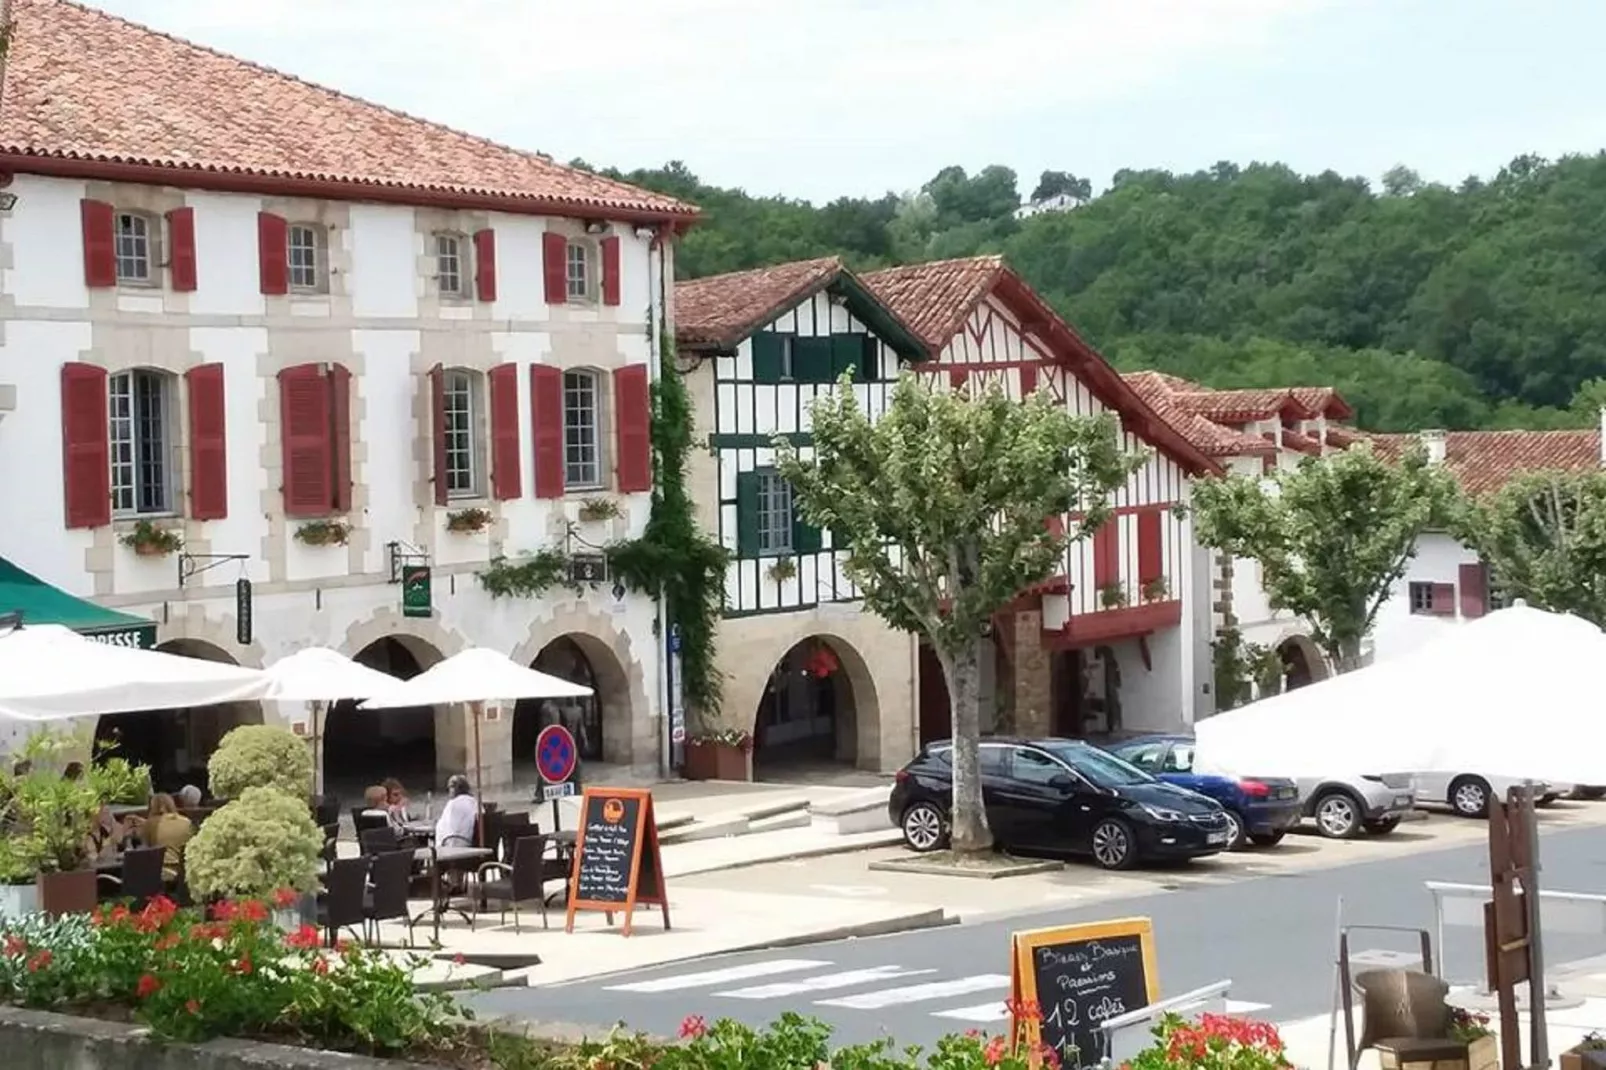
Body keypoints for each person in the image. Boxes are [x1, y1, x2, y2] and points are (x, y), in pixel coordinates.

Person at [137, 793, 192, 882]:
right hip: (183, 872)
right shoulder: (187, 822)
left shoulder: (151, 824)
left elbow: (145, 850)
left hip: (160, 872)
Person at [434, 775, 477, 847]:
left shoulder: (453, 804)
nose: (448, 791)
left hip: (455, 844)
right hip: (470, 842)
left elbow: (447, 828)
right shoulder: (475, 802)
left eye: (450, 787)